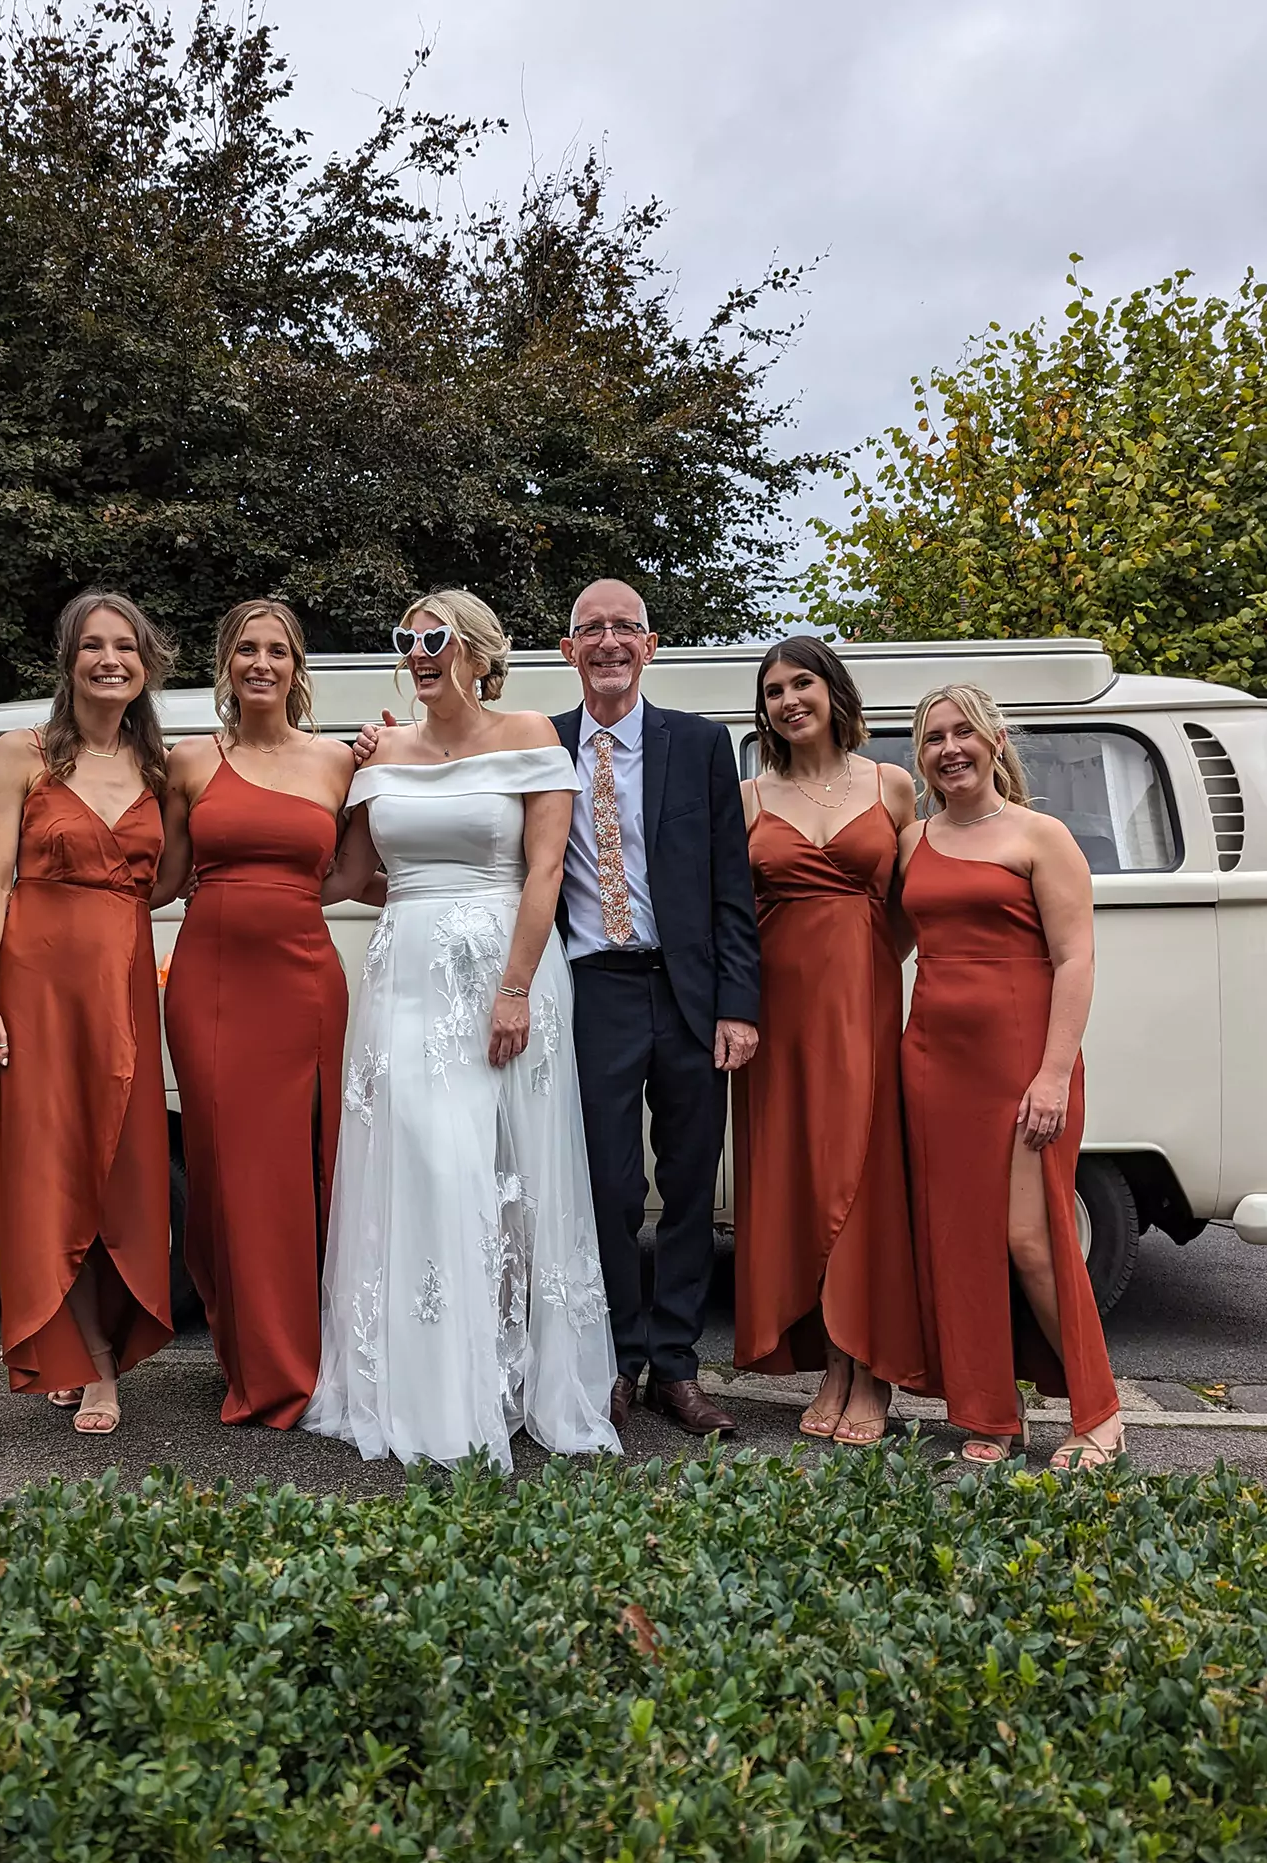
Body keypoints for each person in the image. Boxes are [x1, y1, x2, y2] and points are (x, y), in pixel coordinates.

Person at [303, 589, 619, 1471]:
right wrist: (255, 858)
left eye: (435, 637)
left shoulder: (528, 735)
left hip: (507, 973)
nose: (418, 651)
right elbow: (350, 878)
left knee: (506, 1177)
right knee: (425, 1165)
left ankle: (511, 1379)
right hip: (405, 974)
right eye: (406, 639)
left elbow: (545, 870)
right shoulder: (382, 752)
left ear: (477, 652)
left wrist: (514, 989)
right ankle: (432, 1385)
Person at [899, 683, 1126, 1470]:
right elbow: (883, 945)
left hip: (1024, 1064)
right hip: (933, 1063)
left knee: (1030, 1240)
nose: (949, 749)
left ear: (995, 741)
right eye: (933, 738)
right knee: (957, 1240)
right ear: (920, 757)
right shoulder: (912, 841)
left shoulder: (1040, 835)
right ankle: (990, 1414)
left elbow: (1075, 959)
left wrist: (1053, 1075)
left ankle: (1099, 1413)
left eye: (962, 732)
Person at [553, 579, 761, 1436]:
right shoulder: (538, 743)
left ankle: (675, 1366)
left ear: (649, 645)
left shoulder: (700, 744)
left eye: (624, 627)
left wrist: (737, 1005)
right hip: (590, 989)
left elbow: (729, 885)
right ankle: (612, 1359)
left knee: (687, 1184)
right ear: (567, 649)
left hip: (687, 994)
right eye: (590, 629)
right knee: (605, 1185)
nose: (608, 641)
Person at [0, 590, 173, 1434]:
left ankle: (96, 1344)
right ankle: (90, 1361)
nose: (109, 659)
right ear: (69, 659)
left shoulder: (159, 767)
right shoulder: (22, 753)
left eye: (125, 646)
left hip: (122, 989)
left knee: (117, 1171)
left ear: (146, 665)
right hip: (37, 989)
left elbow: (175, 876)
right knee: (53, 1173)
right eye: (92, 645)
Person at [157, 599, 353, 1428]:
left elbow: (356, 874)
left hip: (304, 981)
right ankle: (253, 1359)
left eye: (277, 650)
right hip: (211, 985)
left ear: (296, 666)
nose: (261, 663)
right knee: (228, 1176)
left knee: (307, 1172)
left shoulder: (340, 761)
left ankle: (312, 1357)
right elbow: (161, 878)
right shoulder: (189, 761)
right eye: (246, 649)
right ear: (226, 664)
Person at [733, 638, 926, 1444]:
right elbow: (732, 918)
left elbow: (912, 906)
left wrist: (867, 963)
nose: (788, 700)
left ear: (832, 691)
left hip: (863, 1008)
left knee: (864, 1176)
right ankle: (829, 1367)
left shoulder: (890, 785)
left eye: (801, 683)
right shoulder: (749, 797)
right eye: (773, 691)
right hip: (777, 1016)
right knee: (801, 1181)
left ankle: (868, 1369)